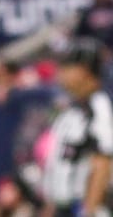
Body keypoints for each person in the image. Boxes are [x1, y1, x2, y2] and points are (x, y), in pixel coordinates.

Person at [42, 38, 113, 217]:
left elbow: (102, 163)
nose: (60, 72)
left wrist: (89, 211)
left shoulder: (99, 108)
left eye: (67, 66)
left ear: (85, 70)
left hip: (83, 208)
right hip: (63, 207)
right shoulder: (72, 109)